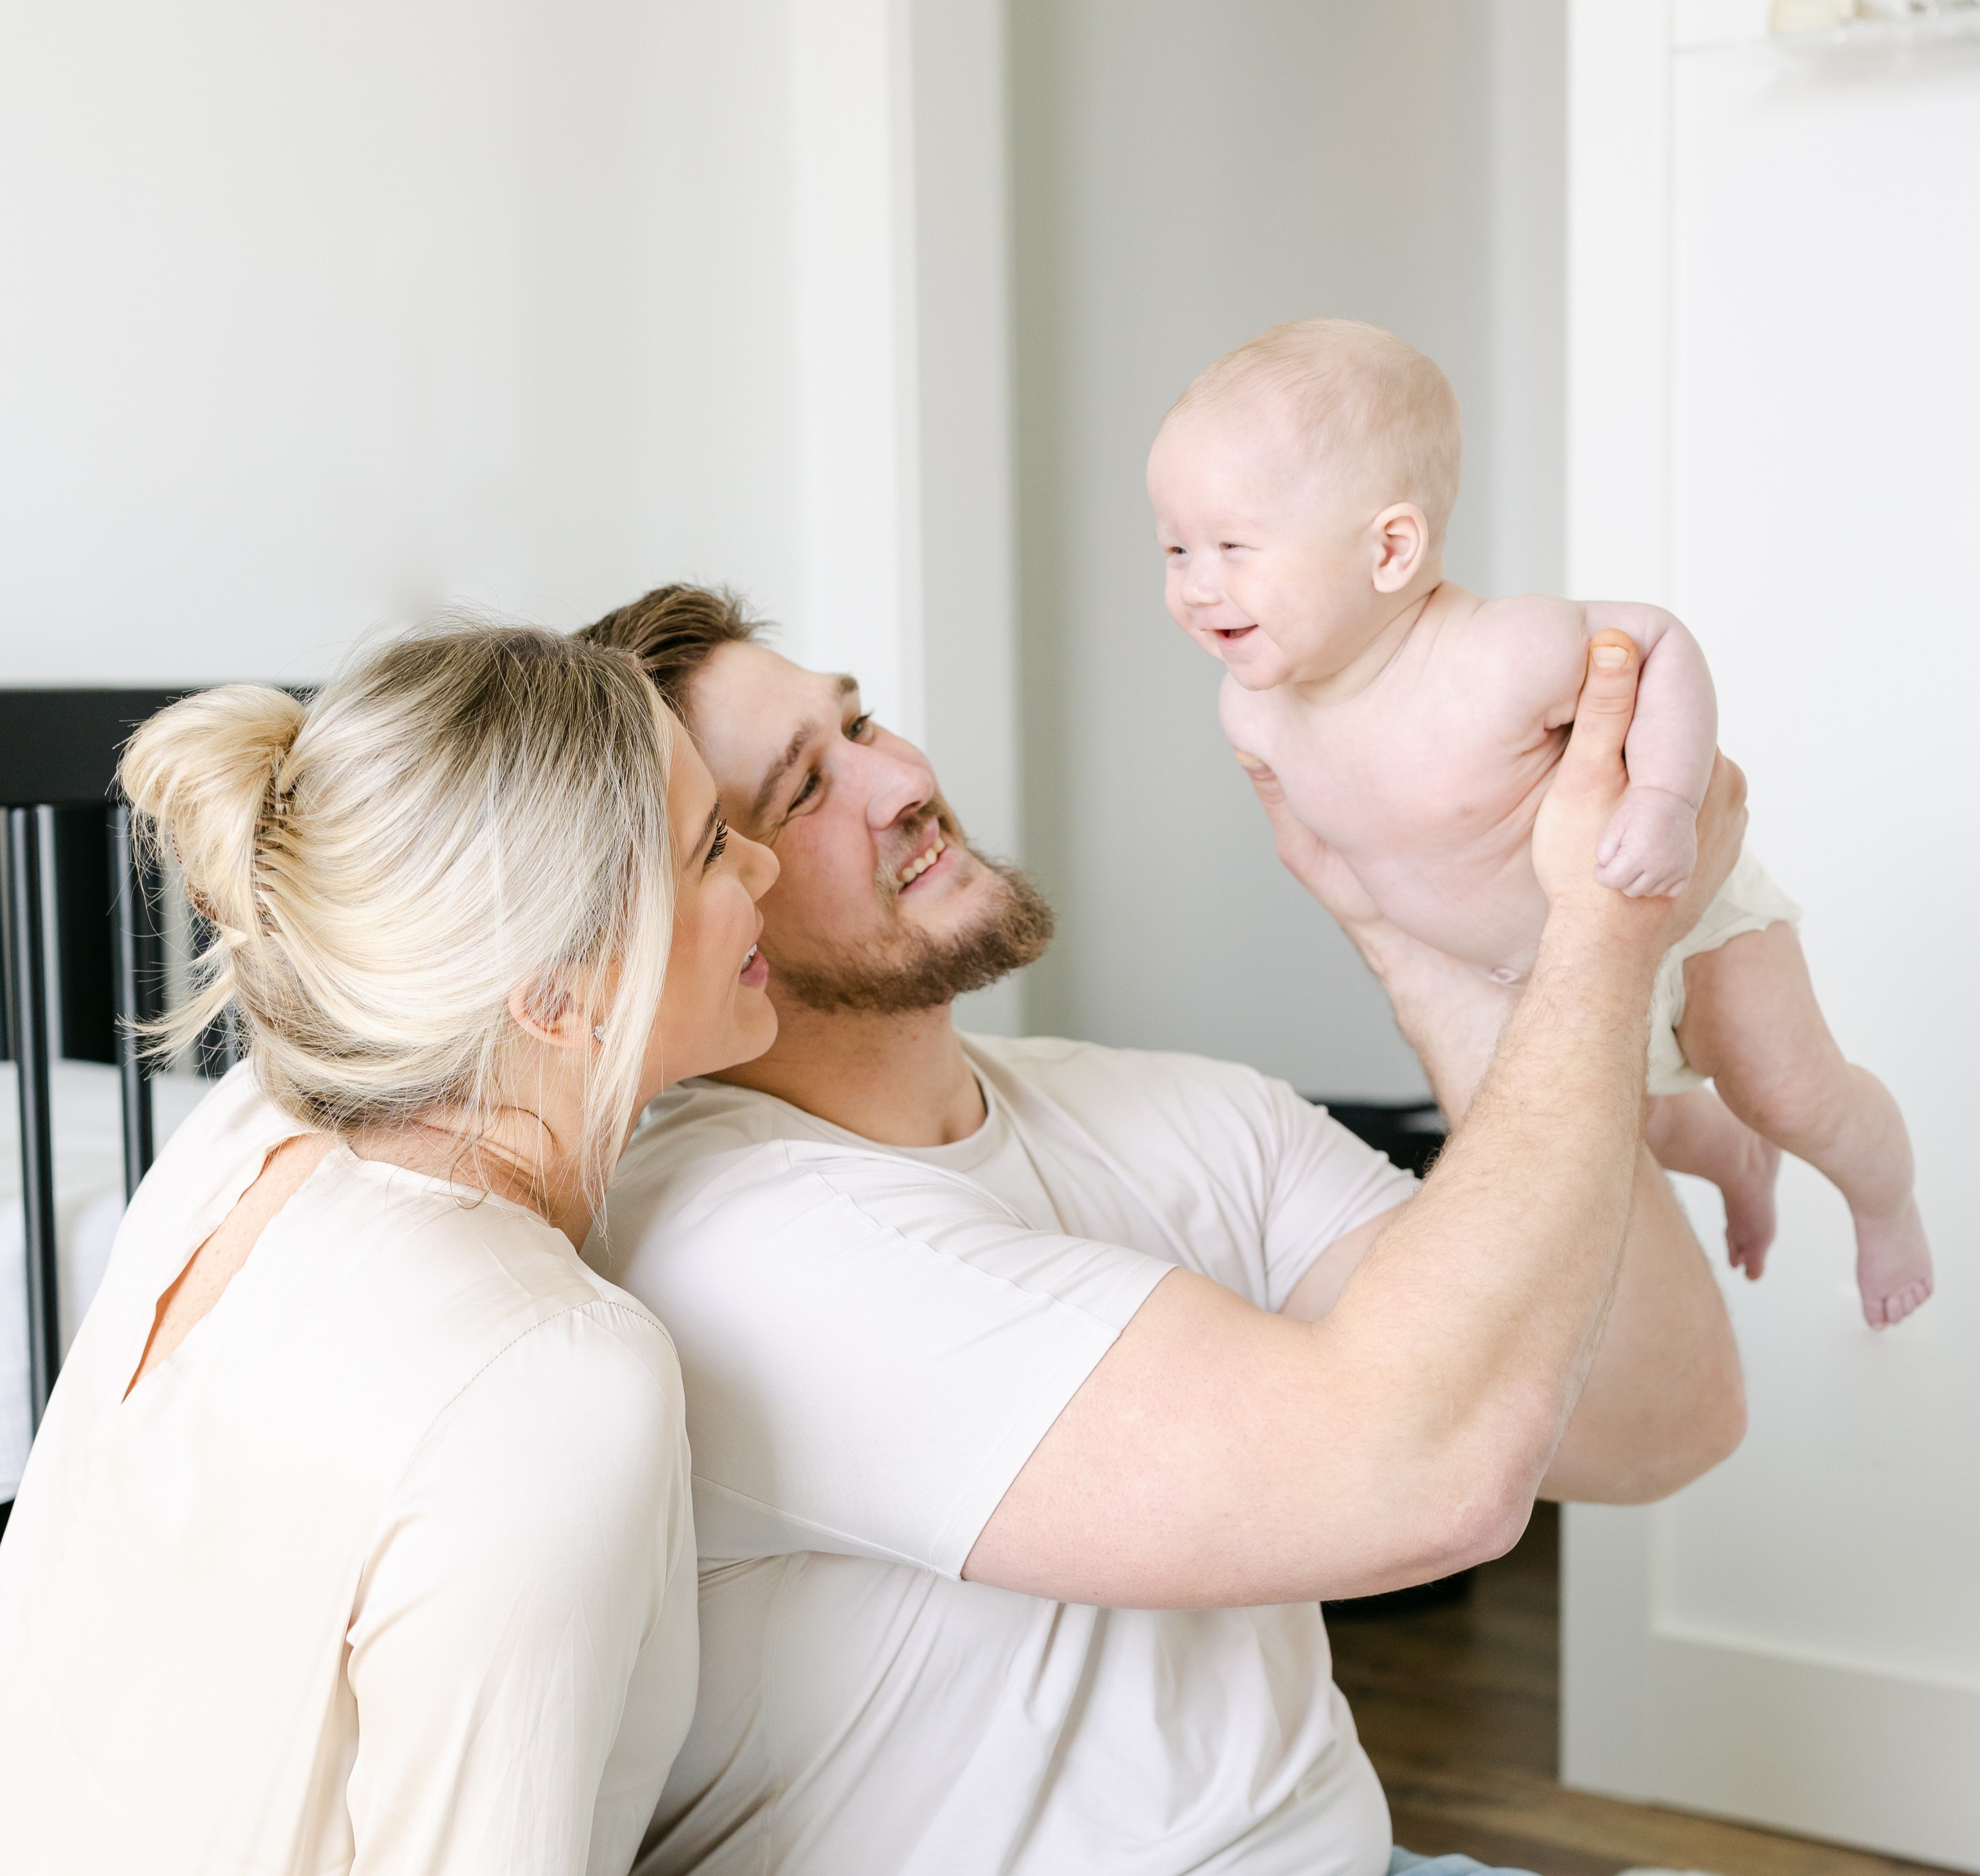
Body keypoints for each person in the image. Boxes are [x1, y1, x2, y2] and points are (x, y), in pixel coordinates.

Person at [575, 584, 1748, 1876]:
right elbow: (1427, 1485)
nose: (900, 778)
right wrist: (1605, 935)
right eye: (803, 789)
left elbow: (1655, 1416)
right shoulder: (746, 1248)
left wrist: (1423, 948)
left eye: (863, 724)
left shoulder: (1166, 1109)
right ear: (701, 900)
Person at [0, 622, 779, 1875]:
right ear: (558, 996)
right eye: (711, 850)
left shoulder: (245, 1129)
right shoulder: (558, 1377)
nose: (772, 865)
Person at [1148, 316, 1930, 1328]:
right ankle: (1736, 1163)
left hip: (1683, 918)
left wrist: (1662, 801)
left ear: (1390, 549)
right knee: (1633, 1136)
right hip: (1538, 985)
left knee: (1792, 1094)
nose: (1196, 585)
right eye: (1174, 547)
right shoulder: (1254, 710)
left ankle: (1887, 1204)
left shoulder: (1497, 652)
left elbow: (1659, 640)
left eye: (1232, 549)